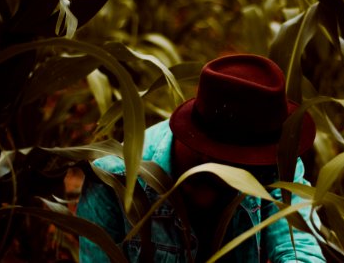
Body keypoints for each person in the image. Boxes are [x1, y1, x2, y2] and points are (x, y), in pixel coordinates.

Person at [77, 54, 325, 262]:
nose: (265, 168)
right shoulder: (112, 180)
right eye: (252, 158)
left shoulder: (273, 165)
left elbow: (300, 249)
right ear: (207, 148)